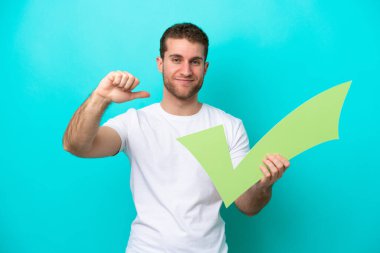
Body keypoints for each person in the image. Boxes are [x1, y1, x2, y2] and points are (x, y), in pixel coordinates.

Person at [63, 23, 290, 253]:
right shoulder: (134, 123)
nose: (186, 71)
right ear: (160, 64)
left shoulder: (229, 126)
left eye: (195, 61)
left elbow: (247, 205)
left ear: (205, 67)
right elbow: (76, 145)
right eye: (176, 59)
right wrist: (101, 98)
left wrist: (264, 186)